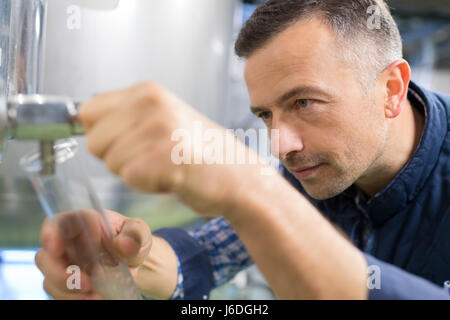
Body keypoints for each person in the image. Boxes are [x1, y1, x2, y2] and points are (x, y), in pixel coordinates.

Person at [35, 0, 450, 300]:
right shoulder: (316, 166)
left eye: (304, 102)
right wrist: (130, 259)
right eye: (266, 115)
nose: (281, 145)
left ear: (391, 90)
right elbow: (210, 254)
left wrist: (248, 188)